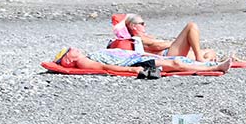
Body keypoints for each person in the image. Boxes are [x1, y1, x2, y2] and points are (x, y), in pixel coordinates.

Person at [54, 47, 233, 75]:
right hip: (135, 64)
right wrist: (133, 71)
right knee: (175, 64)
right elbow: (105, 67)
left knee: (176, 60)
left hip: (138, 58)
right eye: (70, 51)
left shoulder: (87, 56)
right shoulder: (85, 62)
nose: (74, 49)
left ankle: (210, 63)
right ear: (69, 60)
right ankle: (216, 66)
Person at [124, 14, 219, 62]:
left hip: (171, 51)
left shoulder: (146, 37)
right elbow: (157, 46)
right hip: (168, 55)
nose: (145, 25)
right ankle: (199, 58)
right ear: (133, 26)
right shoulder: (137, 39)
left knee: (209, 51)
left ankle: (204, 59)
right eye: (142, 23)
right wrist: (175, 42)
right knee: (191, 26)